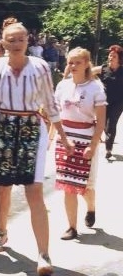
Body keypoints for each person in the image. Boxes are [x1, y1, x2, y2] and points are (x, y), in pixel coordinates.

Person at [0, 23, 74, 275]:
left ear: (27, 40)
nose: (16, 43)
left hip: (31, 127)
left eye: (20, 39)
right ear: (3, 42)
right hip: (2, 127)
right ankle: (1, 233)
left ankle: (43, 253)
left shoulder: (40, 67)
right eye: (11, 39)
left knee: (34, 190)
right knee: (3, 187)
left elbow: (50, 105)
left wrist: (63, 136)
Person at [53, 47, 106, 240]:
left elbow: (100, 121)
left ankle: (91, 208)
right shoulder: (62, 86)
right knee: (68, 185)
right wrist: (53, 137)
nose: (73, 66)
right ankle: (72, 227)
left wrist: (93, 145)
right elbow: (55, 114)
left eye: (77, 62)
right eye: (70, 62)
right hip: (65, 139)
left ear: (86, 64)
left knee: (85, 186)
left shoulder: (95, 88)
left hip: (86, 137)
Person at [92, 45, 123, 160]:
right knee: (103, 123)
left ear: (119, 58)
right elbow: (89, 73)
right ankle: (108, 141)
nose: (111, 57)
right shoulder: (103, 69)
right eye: (110, 55)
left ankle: (108, 149)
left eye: (114, 56)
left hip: (119, 102)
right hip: (105, 101)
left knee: (112, 123)